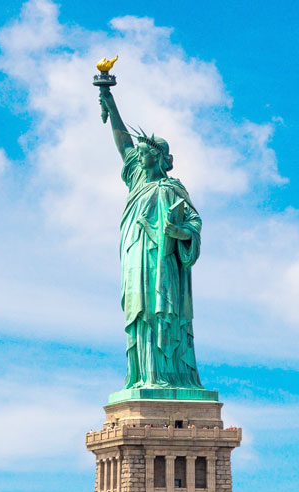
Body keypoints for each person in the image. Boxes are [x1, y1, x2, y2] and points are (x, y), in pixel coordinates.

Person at [97, 84, 203, 391]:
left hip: (164, 260)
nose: (138, 157)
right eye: (139, 154)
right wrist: (110, 102)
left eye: (144, 154)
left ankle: (170, 376)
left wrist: (179, 232)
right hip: (136, 255)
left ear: (157, 157)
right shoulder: (138, 179)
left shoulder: (174, 190)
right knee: (140, 312)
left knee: (163, 311)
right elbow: (122, 144)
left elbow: (193, 226)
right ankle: (143, 375)